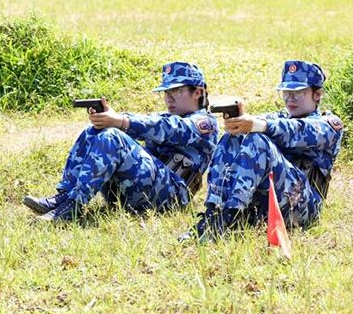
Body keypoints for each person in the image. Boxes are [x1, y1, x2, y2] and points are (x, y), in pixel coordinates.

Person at [23, 62, 218, 221]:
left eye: (176, 91)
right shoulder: (167, 116)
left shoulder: (205, 123)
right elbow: (145, 122)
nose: (169, 98)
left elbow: (169, 129)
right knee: (95, 130)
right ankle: (65, 196)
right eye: (166, 92)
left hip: (172, 196)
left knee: (112, 137)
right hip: (140, 191)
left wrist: (121, 121)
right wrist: (111, 119)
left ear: (198, 92)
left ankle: (73, 207)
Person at [181, 60, 344, 242]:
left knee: (257, 139)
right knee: (233, 136)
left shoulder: (329, 124)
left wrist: (259, 125)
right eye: (286, 92)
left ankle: (231, 217)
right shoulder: (279, 117)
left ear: (317, 94)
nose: (290, 98)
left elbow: (297, 131)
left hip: (302, 205)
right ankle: (215, 212)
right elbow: (260, 123)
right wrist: (240, 120)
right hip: (267, 202)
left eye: (299, 93)